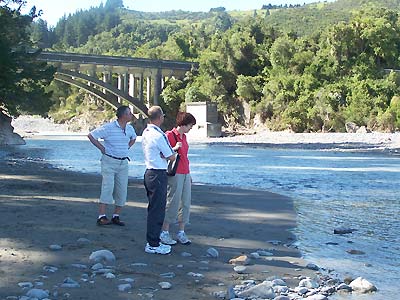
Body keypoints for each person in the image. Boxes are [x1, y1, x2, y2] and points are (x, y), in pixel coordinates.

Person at [87, 105, 136, 226]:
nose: (131, 115)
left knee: (122, 189)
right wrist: (102, 148)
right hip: (109, 161)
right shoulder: (109, 128)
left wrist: (127, 147)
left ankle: (116, 216)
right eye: (129, 113)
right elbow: (91, 135)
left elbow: (133, 138)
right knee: (107, 187)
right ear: (124, 115)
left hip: (123, 162)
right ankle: (102, 216)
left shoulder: (129, 128)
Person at [142, 106, 177, 255]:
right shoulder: (158, 135)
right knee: (157, 210)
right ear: (160, 117)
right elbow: (171, 155)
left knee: (153, 208)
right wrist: (169, 154)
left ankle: (153, 241)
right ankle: (153, 243)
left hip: (149, 172)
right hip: (158, 174)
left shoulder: (146, 132)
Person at [160, 112, 196, 246]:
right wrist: (175, 148)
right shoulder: (169, 135)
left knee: (185, 202)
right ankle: (165, 231)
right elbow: (162, 154)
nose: (190, 128)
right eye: (190, 125)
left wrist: (189, 174)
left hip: (185, 171)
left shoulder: (184, 137)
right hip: (174, 173)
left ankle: (181, 232)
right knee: (173, 201)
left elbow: (185, 157)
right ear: (184, 124)